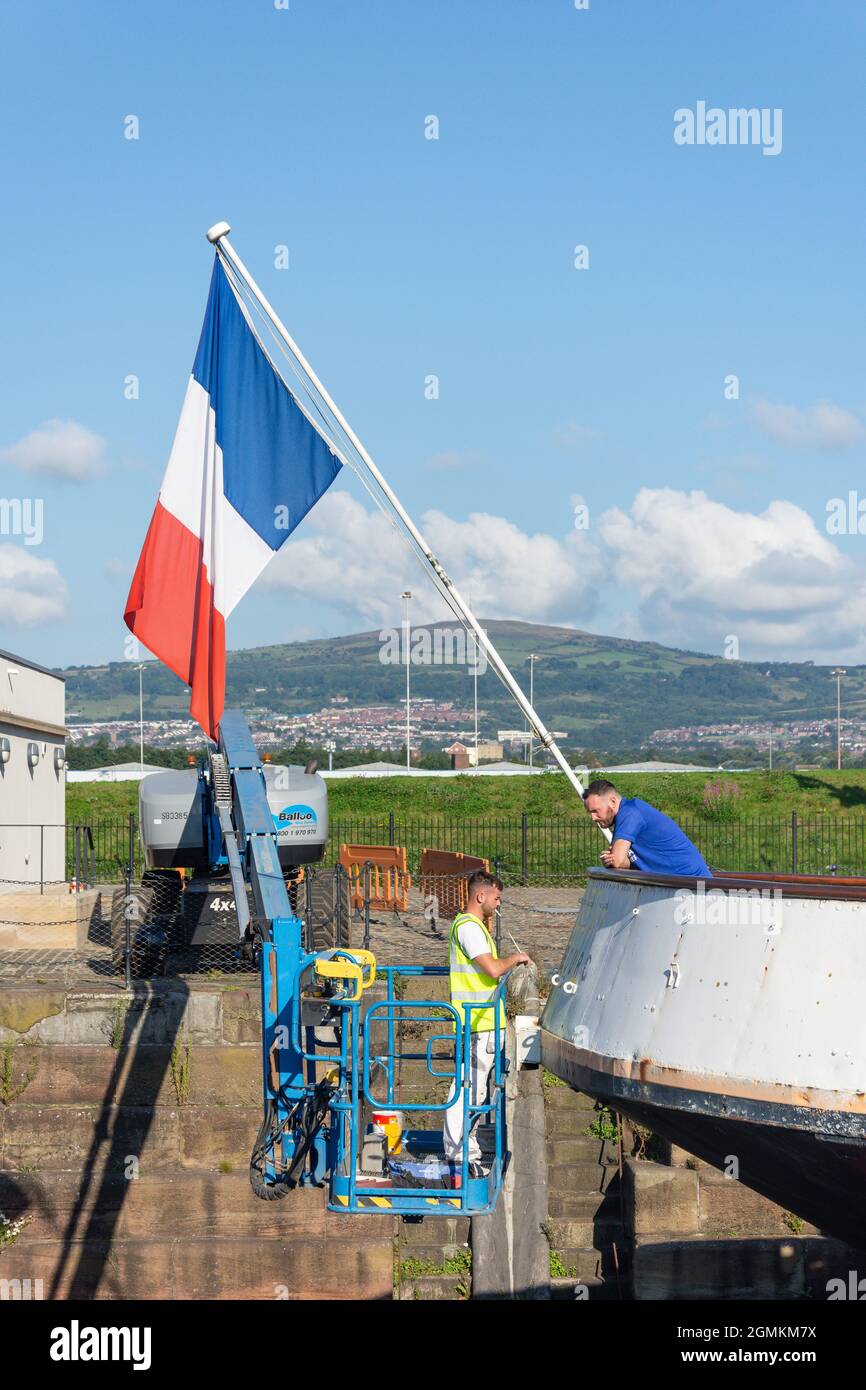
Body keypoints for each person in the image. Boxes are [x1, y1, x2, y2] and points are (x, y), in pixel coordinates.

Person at [442, 870, 529, 1184]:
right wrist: (515, 959)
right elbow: (492, 970)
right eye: (496, 897)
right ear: (481, 895)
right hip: (478, 1021)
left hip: (479, 1021)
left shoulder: (470, 926)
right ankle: (459, 1154)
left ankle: (466, 1151)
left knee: (474, 1089)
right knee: (469, 1088)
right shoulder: (470, 928)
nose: (498, 903)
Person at [582, 779, 711, 877]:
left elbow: (619, 862)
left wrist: (616, 860)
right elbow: (625, 864)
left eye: (596, 811)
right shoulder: (627, 814)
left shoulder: (630, 813)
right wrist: (611, 860)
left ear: (613, 801)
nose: (593, 818)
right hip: (682, 884)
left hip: (693, 884)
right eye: (590, 813)